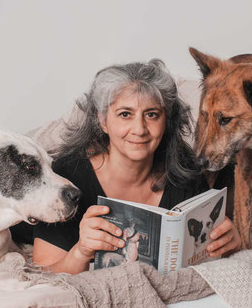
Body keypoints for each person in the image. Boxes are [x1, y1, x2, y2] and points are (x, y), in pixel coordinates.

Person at [31, 59, 240, 274]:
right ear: (103, 121)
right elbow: (43, 276)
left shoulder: (184, 173)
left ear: (165, 120)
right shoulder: (67, 175)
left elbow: (209, 250)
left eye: (151, 115)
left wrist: (227, 242)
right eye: (125, 114)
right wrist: (81, 252)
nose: (139, 129)